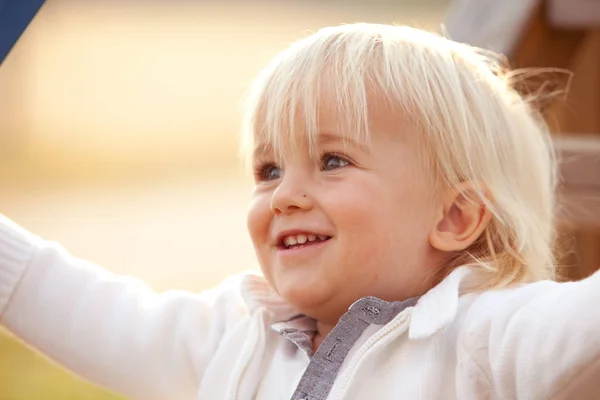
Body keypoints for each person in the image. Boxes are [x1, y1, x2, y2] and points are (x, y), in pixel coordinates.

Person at [0, 23, 596, 400]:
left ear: (455, 218)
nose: (284, 195)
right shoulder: (236, 335)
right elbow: (83, 310)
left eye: (333, 161)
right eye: (268, 170)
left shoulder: (492, 340)